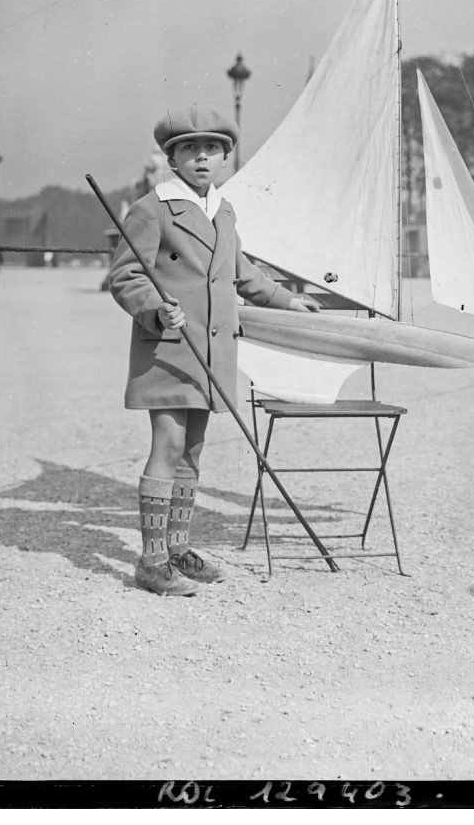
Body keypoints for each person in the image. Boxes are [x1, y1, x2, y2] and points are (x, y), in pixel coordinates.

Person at [107, 106, 322, 597]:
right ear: (172, 158)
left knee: (193, 451)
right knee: (167, 445)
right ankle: (151, 561)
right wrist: (155, 308)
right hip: (169, 347)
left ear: (226, 159)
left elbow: (241, 272)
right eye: (189, 149)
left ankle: (178, 548)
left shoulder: (223, 210)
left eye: (212, 150)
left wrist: (288, 299)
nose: (201, 157)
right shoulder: (151, 208)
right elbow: (124, 275)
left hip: (212, 350)